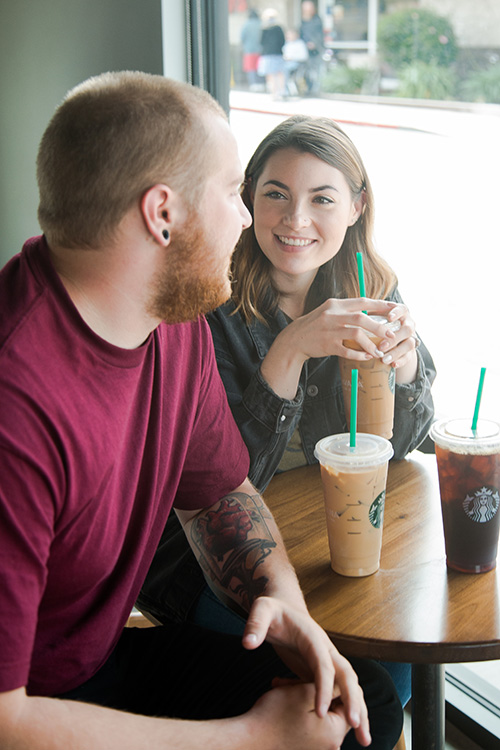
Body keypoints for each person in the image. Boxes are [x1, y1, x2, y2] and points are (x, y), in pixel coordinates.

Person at [0, 72, 403, 750]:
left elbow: (218, 496)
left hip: (91, 669)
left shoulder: (169, 316)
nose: (248, 218)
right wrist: (252, 739)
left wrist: (286, 609)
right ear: (164, 214)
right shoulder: (16, 404)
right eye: (230, 192)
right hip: (28, 708)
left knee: (362, 712)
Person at [138, 114, 436, 711]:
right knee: (355, 682)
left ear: (356, 206)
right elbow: (220, 483)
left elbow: (398, 448)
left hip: (326, 535)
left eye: (322, 199)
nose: (296, 219)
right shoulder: (206, 299)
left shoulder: (370, 284)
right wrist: (293, 347)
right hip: (209, 563)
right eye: (276, 194)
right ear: (248, 198)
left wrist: (405, 369)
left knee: (397, 660)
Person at [258, 8, 286, 100]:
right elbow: (282, 41)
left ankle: (274, 93)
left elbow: (261, 42)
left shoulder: (264, 29)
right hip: (277, 54)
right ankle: (280, 92)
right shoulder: (278, 28)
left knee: (271, 74)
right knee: (278, 73)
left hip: (268, 54)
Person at [300, 0, 325, 94]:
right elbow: (301, 34)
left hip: (316, 51)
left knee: (316, 70)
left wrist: (314, 43)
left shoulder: (317, 20)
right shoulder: (302, 21)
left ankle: (316, 89)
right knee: (306, 70)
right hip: (305, 51)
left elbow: (320, 35)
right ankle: (308, 88)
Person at [240, 9, 263, 90]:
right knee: (259, 67)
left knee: (251, 68)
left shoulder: (246, 25)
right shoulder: (261, 24)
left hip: (249, 49)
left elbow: (242, 37)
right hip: (260, 49)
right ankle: (261, 84)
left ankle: (253, 84)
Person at [282, 28, 309, 96]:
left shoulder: (300, 44)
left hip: (297, 63)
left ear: (296, 35)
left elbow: (304, 56)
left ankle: (286, 91)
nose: (288, 36)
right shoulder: (286, 44)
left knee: (284, 70)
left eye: (290, 34)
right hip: (286, 63)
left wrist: (291, 58)